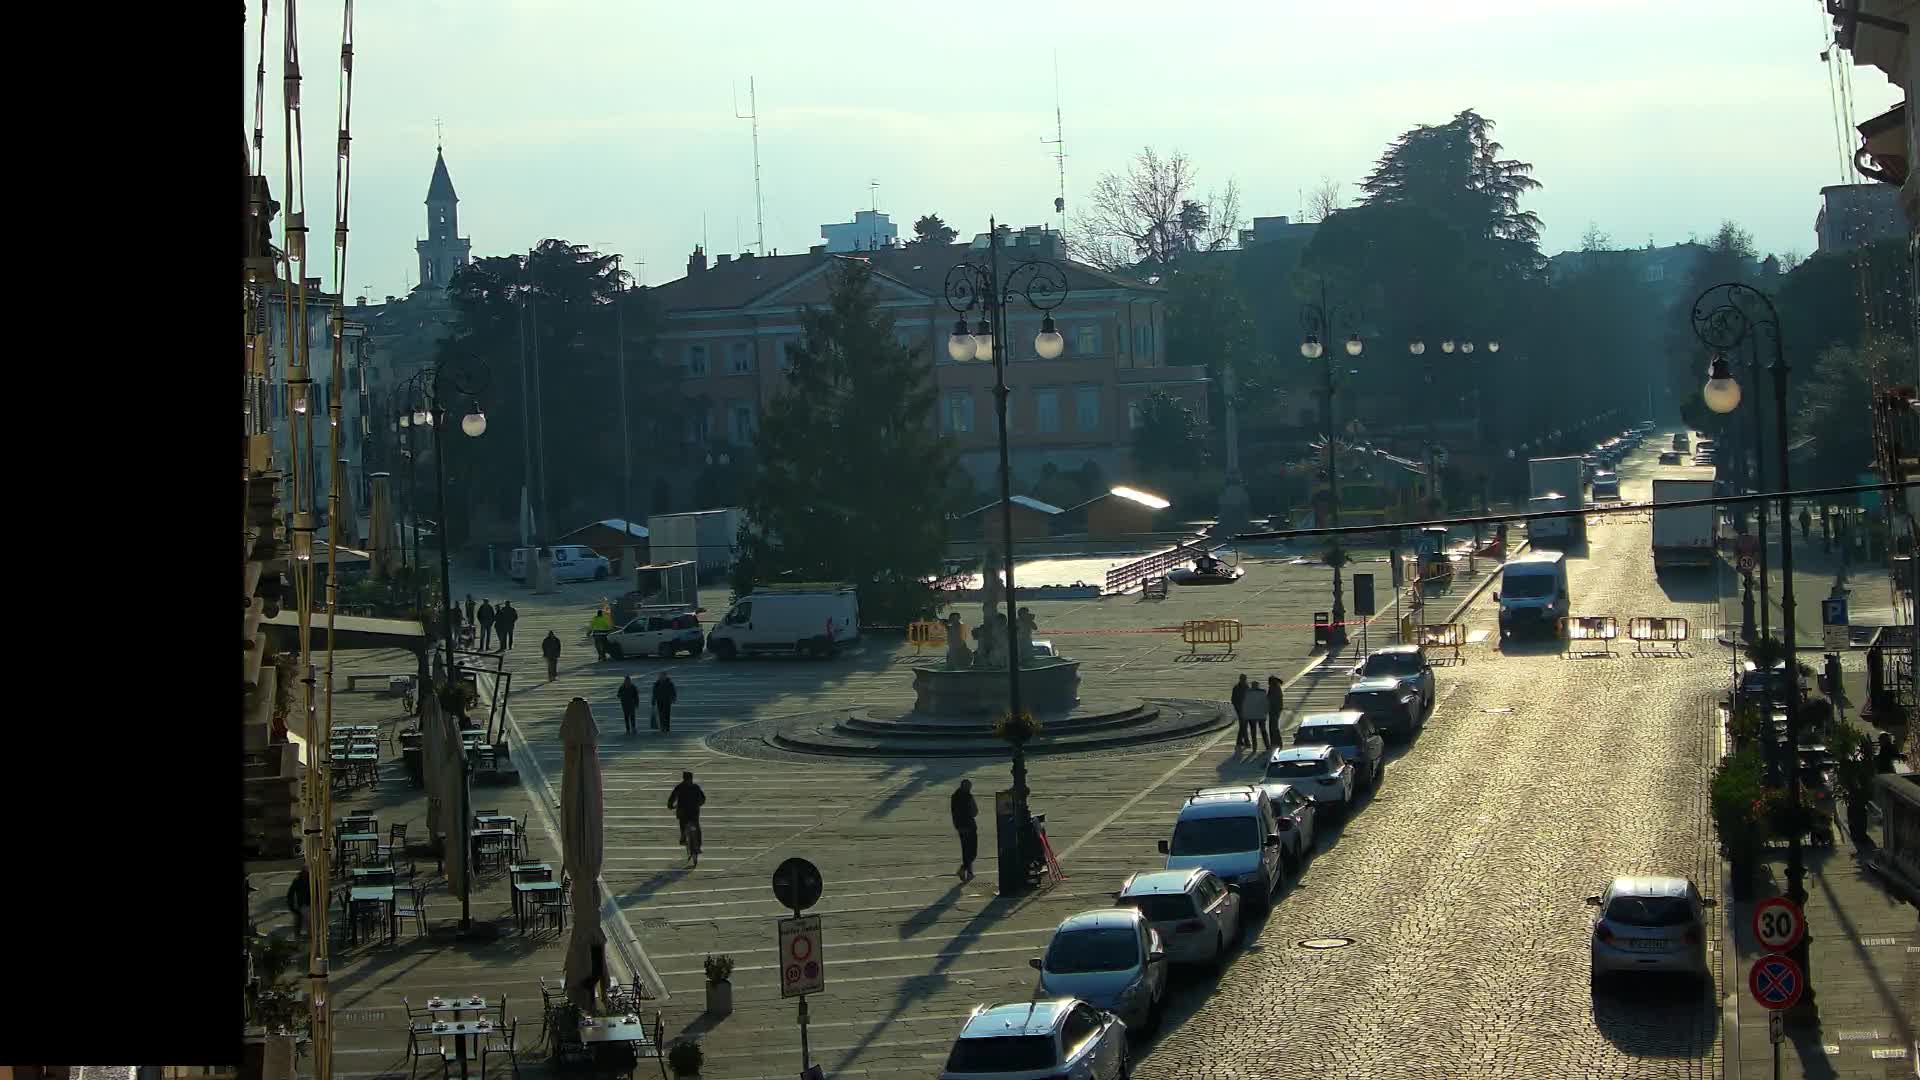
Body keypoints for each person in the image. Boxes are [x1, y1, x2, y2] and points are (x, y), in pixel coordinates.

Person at [668, 770, 706, 866]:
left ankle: (683, 838)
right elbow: (703, 799)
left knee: (683, 825)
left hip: (683, 813)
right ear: (691, 779)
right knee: (697, 829)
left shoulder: (679, 787)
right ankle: (698, 846)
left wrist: (671, 806)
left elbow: (672, 799)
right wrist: (699, 804)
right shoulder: (695, 787)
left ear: (683, 778)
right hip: (694, 813)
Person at [286, 867, 310, 937]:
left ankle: (306, 935)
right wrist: (292, 907)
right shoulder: (298, 880)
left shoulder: (313, 880)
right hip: (302, 904)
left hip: (309, 905)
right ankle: (298, 937)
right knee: (298, 921)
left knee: (307, 922)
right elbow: (290, 894)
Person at [1230, 674, 1252, 750]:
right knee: (1243, 725)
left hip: (1246, 709)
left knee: (1243, 726)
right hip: (1240, 710)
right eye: (1242, 679)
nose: (1243, 681)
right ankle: (1245, 742)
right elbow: (1233, 699)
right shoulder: (1236, 688)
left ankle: (1240, 742)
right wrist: (1238, 707)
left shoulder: (1246, 687)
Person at [1265, 675, 1285, 749]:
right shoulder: (1276, 687)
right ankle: (1275, 742)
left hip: (1274, 709)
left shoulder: (1274, 688)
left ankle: (1276, 742)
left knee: (1273, 727)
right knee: (1273, 726)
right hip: (1276, 709)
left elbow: (1271, 699)